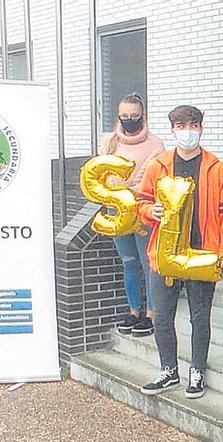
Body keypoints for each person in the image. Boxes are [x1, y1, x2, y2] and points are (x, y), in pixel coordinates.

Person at [134, 105, 223, 399]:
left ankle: (197, 371)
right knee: (162, 316)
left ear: (201, 128)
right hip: (165, 253)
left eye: (192, 125)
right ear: (172, 130)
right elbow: (141, 201)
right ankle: (168, 370)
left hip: (203, 255)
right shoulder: (159, 165)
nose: (187, 131)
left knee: (200, 316)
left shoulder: (216, 168)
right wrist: (148, 210)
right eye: (181, 126)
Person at [99, 93, 165, 337]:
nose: (129, 120)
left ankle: (151, 313)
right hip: (116, 211)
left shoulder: (155, 144)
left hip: (142, 211)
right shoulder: (108, 141)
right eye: (124, 116)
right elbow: (102, 173)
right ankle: (133, 310)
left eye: (134, 116)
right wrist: (121, 190)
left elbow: (152, 178)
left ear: (142, 115)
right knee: (128, 262)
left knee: (148, 263)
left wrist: (125, 188)